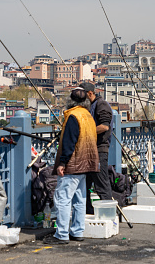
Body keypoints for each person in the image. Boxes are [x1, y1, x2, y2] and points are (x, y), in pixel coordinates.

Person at [44, 88, 99, 244]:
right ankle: (77, 231)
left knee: (62, 198)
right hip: (88, 163)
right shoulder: (88, 116)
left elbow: (69, 142)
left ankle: (61, 234)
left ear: (70, 101)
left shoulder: (73, 116)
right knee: (80, 199)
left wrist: (62, 163)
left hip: (74, 164)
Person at [79, 82, 114, 215]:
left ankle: (108, 214)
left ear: (90, 94)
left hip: (99, 150)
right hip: (88, 150)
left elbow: (104, 126)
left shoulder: (102, 105)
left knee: (101, 183)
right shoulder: (89, 107)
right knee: (85, 184)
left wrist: (85, 131)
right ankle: (88, 212)